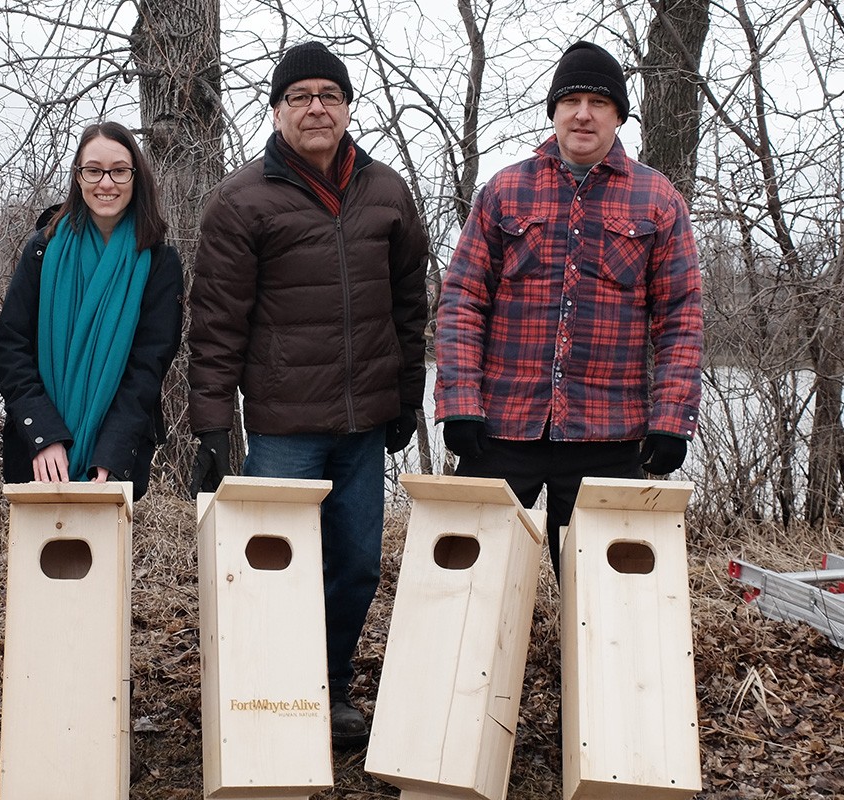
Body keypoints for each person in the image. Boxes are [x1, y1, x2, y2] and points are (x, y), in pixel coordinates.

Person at [186, 41, 430, 749]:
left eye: (329, 94)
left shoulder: (386, 191)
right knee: (275, 568)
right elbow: (216, 322)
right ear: (276, 109)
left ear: (349, 108)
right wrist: (210, 424)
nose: (316, 107)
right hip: (284, 428)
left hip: (364, 425)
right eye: (300, 96)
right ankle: (271, 691)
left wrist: (406, 394)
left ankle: (329, 683)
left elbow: (409, 302)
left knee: (354, 564)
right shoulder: (242, 199)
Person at [435, 40, 703, 581]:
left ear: (619, 116)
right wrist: (458, 403)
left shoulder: (658, 200)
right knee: (465, 584)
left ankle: (593, 671)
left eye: (599, 102)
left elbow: (680, 320)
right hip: (500, 429)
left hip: (608, 436)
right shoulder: (505, 191)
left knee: (608, 600)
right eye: (571, 100)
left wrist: (672, 420)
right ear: (554, 110)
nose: (583, 114)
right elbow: (462, 301)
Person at [0, 122, 182, 499]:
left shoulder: (159, 262)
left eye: (119, 171)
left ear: (136, 177)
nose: (106, 183)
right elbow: (10, 347)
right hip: (38, 455)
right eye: (93, 170)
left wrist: (109, 451)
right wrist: (44, 435)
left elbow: (147, 366)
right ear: (78, 177)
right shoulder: (42, 250)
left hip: (111, 461)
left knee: (102, 558)